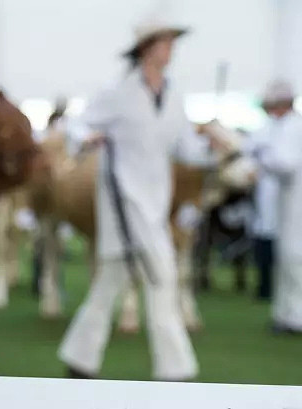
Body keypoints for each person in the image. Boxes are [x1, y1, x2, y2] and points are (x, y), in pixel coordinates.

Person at [58, 15, 219, 381]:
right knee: (162, 279)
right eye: (165, 42)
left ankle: (79, 358)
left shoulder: (175, 95)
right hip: (122, 204)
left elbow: (186, 147)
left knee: (109, 284)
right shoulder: (118, 92)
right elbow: (78, 124)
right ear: (147, 48)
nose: (171, 49)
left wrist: (211, 146)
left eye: (172, 42)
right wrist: (86, 138)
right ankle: (176, 371)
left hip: (154, 203)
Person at [255, 81, 302, 333]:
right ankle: (286, 314)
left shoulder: (293, 128)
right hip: (288, 204)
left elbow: (285, 163)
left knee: (295, 261)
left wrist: (261, 154)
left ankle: (296, 317)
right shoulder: (284, 127)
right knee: (287, 261)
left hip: (297, 206)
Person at [245, 83, 290, 301]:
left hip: (290, 198)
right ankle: (266, 288)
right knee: (265, 237)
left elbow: (284, 163)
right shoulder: (264, 129)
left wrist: (264, 158)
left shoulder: (294, 127)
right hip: (267, 194)